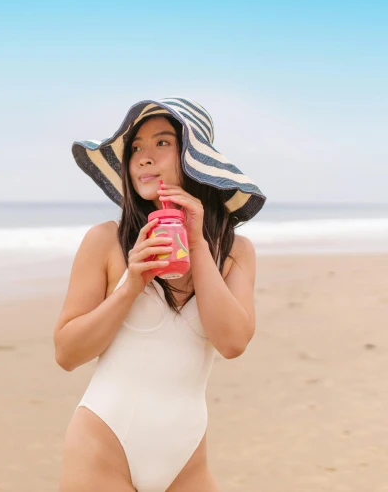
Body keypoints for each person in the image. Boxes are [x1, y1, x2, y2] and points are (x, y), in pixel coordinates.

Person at [54, 98, 266, 491]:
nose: (144, 158)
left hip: (186, 459)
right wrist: (131, 285)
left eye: (162, 143)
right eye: (136, 148)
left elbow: (234, 342)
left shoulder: (235, 251)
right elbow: (67, 353)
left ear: (194, 159)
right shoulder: (105, 241)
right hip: (103, 445)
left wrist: (199, 245)